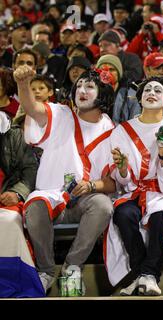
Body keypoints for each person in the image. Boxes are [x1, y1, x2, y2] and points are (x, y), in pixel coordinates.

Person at [14, 65, 117, 294]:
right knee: (35, 203)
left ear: (103, 94)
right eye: (79, 85)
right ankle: (46, 272)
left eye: (90, 86)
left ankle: (73, 267)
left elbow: (113, 183)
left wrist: (91, 185)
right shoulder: (60, 113)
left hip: (85, 201)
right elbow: (32, 107)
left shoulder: (112, 129)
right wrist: (23, 84)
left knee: (103, 204)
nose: (82, 89)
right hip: (51, 197)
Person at [105, 76, 163, 296]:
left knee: (160, 214)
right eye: (147, 90)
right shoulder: (121, 131)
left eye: (158, 90)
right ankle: (140, 272)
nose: (152, 92)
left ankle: (149, 274)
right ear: (140, 99)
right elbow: (120, 179)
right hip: (134, 191)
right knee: (123, 214)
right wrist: (123, 169)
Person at [0, 113, 42, 297]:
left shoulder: (13, 133)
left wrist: (18, 193)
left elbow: (30, 168)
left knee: (9, 222)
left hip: (7, 194)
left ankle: (13, 283)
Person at [96, 54, 141, 124]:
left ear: (119, 73)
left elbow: (135, 124)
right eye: (102, 70)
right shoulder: (91, 94)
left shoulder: (131, 95)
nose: (107, 73)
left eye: (111, 70)